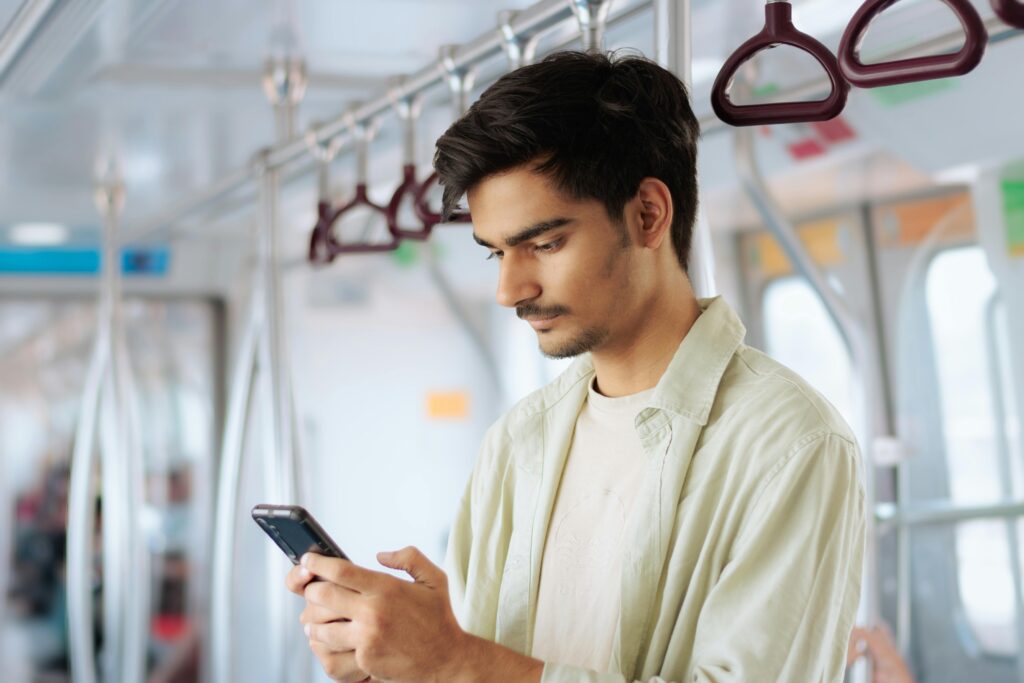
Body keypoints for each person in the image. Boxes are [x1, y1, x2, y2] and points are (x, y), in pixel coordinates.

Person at [285, 50, 866, 683]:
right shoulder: (517, 441)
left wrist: (456, 660)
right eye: (496, 254)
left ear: (648, 214)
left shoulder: (789, 444)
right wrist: (402, 664)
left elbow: (479, 669)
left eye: (544, 243)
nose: (510, 289)